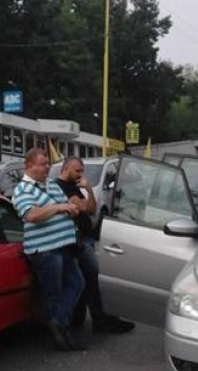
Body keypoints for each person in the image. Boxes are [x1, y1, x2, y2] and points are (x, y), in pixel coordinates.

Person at [12, 147, 85, 352]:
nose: (47, 168)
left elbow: (70, 206)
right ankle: (61, 333)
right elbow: (32, 215)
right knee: (52, 293)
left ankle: (57, 323)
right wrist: (59, 208)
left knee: (77, 283)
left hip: (63, 246)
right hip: (44, 250)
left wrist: (71, 209)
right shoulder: (22, 190)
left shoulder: (52, 185)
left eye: (48, 165)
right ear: (29, 166)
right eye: (43, 165)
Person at [56, 156, 135, 334]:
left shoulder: (75, 186)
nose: (80, 174)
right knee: (89, 280)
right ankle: (99, 320)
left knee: (89, 281)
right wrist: (87, 195)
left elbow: (92, 208)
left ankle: (93, 319)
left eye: (82, 171)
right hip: (79, 241)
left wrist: (89, 190)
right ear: (67, 168)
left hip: (85, 238)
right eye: (77, 170)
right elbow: (84, 208)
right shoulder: (61, 186)